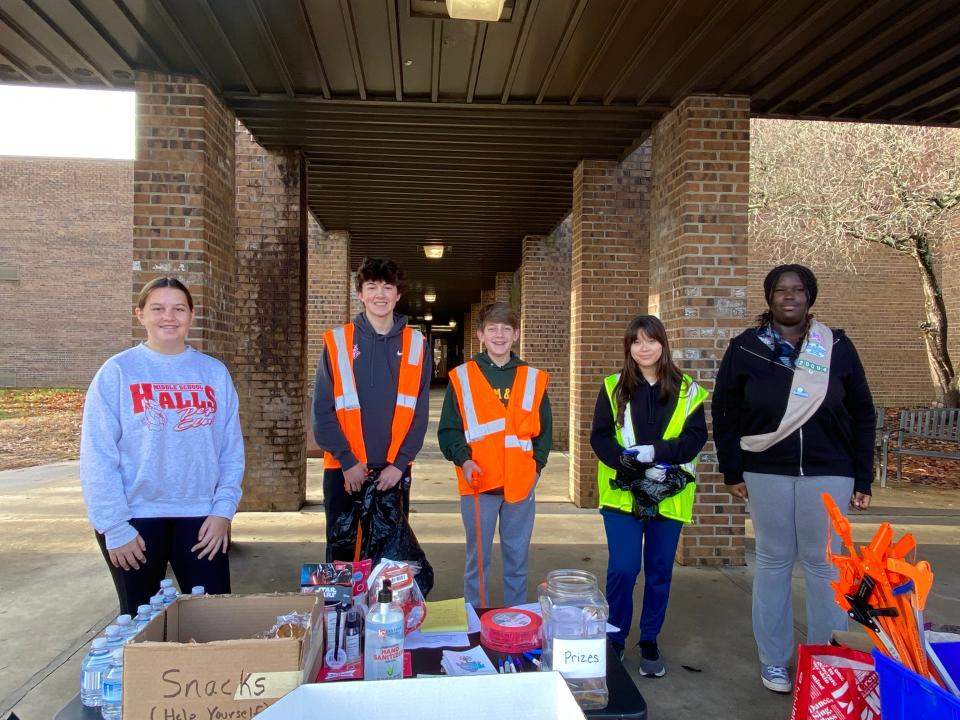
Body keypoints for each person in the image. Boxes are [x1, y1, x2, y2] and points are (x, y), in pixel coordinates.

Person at [712, 264, 875, 694]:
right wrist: (732, 468)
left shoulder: (836, 346)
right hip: (765, 470)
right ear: (769, 299)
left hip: (831, 470)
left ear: (810, 297)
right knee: (772, 562)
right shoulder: (745, 349)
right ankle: (775, 661)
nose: (789, 296)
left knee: (824, 566)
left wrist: (863, 477)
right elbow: (724, 411)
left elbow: (862, 411)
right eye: (780, 290)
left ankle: (827, 659)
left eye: (798, 290)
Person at [80, 278, 244, 615]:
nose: (168, 317)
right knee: (142, 625)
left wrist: (223, 510)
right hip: (135, 520)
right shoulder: (118, 372)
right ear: (140, 314)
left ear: (191, 315)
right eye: (158, 308)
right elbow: (97, 455)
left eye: (178, 309)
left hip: (201, 519)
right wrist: (113, 525)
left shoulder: (213, 373)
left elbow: (230, 450)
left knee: (214, 620)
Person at [591, 315, 708, 678]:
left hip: (668, 495)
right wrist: (628, 464)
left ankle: (649, 640)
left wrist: (657, 453)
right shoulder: (613, 386)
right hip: (623, 495)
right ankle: (615, 637)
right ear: (628, 348)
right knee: (623, 570)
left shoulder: (688, 389)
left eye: (651, 340)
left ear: (663, 343)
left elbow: (694, 439)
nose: (644, 348)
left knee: (659, 572)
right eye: (637, 341)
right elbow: (600, 437)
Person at [313, 257, 431, 558]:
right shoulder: (338, 342)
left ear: (398, 295)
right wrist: (347, 461)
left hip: (392, 471)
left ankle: (384, 609)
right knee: (343, 557)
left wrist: (400, 463)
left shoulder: (417, 344)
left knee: (389, 561)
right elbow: (323, 410)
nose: (380, 294)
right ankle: (344, 609)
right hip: (344, 470)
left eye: (387, 287)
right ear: (361, 294)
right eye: (372, 287)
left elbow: (419, 413)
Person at [438, 302, 551, 607]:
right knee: (478, 562)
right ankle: (477, 622)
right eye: (492, 329)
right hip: (478, 482)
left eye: (506, 329)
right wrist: (464, 460)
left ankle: (514, 623)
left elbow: (544, 434)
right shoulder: (462, 377)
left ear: (516, 334)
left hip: (519, 485)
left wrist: (536, 469)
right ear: (481, 335)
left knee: (517, 561)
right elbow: (449, 430)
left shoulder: (532, 378)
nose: (499, 335)